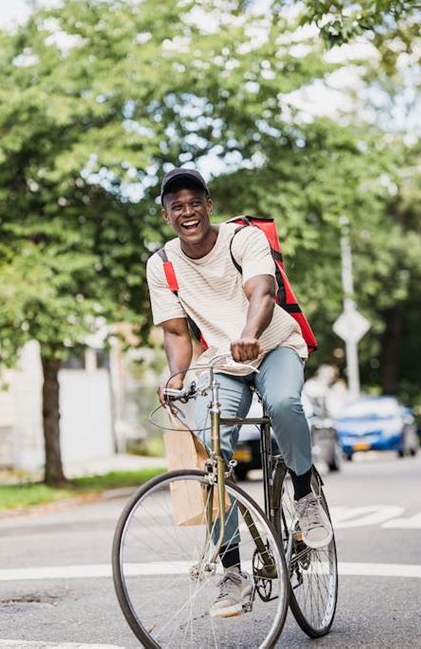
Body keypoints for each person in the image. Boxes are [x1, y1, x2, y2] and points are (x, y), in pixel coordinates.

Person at [146, 166, 332, 619]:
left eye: (195, 203)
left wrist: (249, 333)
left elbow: (263, 292)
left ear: (209, 205)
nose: (187, 212)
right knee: (211, 457)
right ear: (166, 214)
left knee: (284, 403)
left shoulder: (242, 240)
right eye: (177, 207)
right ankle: (232, 573)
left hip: (272, 345)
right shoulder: (162, 264)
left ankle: (304, 492)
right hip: (223, 363)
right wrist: (177, 375)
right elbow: (175, 330)